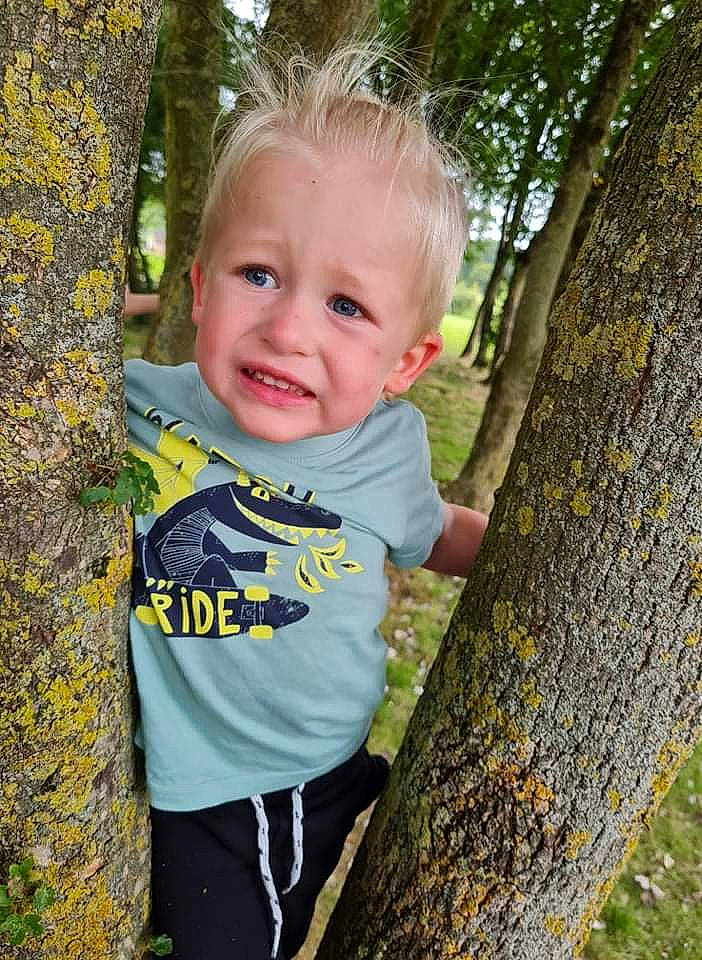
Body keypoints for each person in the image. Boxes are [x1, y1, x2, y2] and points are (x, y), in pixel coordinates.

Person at [125, 43, 489, 960]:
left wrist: (527, 555)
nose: (287, 330)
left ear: (406, 363)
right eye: (258, 275)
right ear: (201, 291)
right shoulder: (126, 401)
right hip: (169, 760)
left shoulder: (383, 455)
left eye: (347, 307)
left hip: (270, 785)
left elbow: (435, 531)